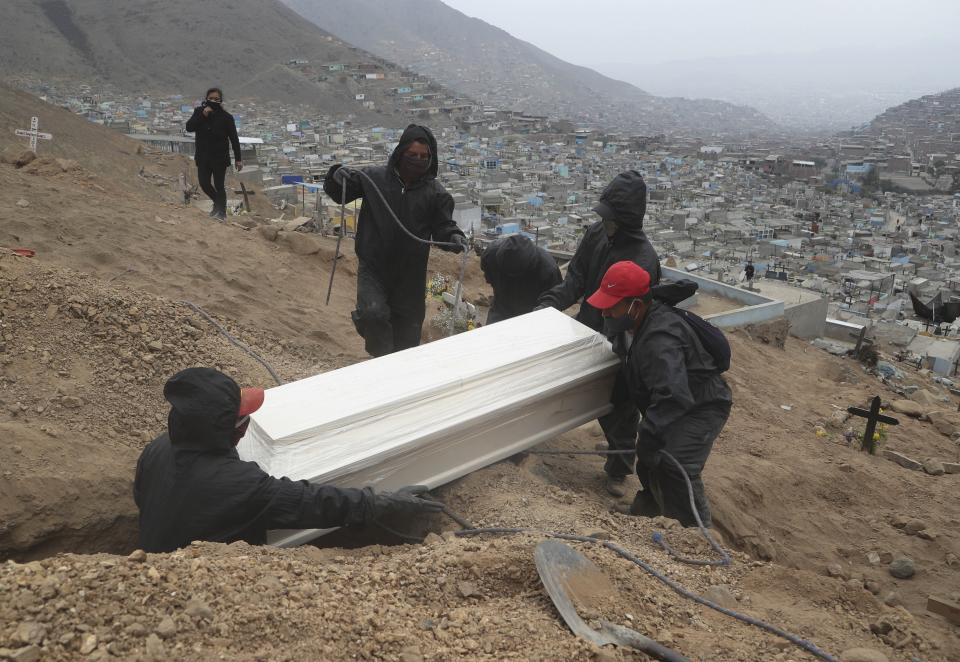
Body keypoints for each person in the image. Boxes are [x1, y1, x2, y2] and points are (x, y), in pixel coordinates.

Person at [133, 368, 442, 553]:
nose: (247, 425)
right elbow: (315, 502)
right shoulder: (239, 484)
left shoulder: (157, 450)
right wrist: (386, 503)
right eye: (242, 419)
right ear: (231, 432)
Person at [536, 170, 661, 497]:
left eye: (610, 219)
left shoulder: (644, 261)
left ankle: (618, 469)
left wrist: (614, 347)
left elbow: (635, 319)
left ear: (626, 221)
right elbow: (575, 279)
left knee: (619, 407)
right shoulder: (596, 235)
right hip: (586, 325)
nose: (604, 223)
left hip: (619, 343)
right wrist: (549, 306)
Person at [586, 261, 732, 527]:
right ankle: (647, 514)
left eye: (612, 305)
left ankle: (695, 534)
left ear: (636, 305)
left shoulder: (660, 339)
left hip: (703, 405)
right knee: (650, 459)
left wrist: (649, 431)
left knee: (676, 464)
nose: (605, 312)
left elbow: (674, 395)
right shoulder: (626, 326)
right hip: (673, 400)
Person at [324, 124, 468, 357]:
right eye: (412, 155)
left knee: (407, 339)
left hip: (411, 275)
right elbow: (341, 190)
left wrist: (454, 237)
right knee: (373, 314)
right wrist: (336, 174)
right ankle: (380, 361)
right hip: (374, 266)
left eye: (424, 156)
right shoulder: (374, 178)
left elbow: (442, 227)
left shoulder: (436, 194)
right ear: (400, 153)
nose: (418, 160)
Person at [185, 87, 242, 221]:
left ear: (221, 101)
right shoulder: (199, 112)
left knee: (219, 185)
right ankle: (218, 204)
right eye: (211, 98)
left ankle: (221, 213)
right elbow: (189, 127)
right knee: (204, 183)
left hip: (219, 158)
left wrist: (238, 159)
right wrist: (203, 115)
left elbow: (234, 139)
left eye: (216, 99)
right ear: (206, 99)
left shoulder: (227, 117)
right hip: (203, 157)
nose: (213, 101)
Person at [480, 234, 561, 324]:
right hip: (501, 306)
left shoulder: (548, 270)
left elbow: (553, 302)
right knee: (491, 334)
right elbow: (488, 275)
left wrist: (537, 315)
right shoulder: (491, 254)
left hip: (530, 314)